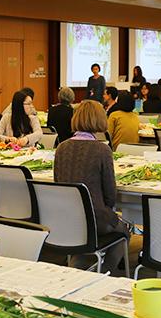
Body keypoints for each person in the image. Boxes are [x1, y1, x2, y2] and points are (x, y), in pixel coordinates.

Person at [54, 101, 130, 274]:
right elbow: (110, 194)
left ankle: (78, 272)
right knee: (124, 231)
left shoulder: (61, 148)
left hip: (67, 219)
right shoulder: (102, 150)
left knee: (83, 237)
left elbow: (58, 183)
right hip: (96, 219)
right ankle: (104, 273)